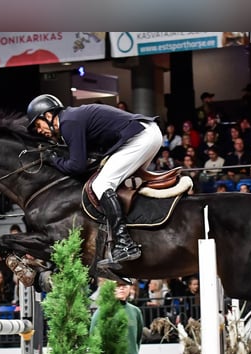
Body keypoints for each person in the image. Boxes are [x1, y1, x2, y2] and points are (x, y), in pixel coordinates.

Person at [26, 94, 161, 268]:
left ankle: (124, 243)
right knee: (120, 186)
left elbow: (77, 166)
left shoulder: (68, 123)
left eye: (38, 124)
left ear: (49, 115)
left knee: (101, 184)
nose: (39, 130)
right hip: (147, 134)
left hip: (141, 137)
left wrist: (53, 160)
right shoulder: (71, 120)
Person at [90, 277, 144, 354]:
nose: (122, 288)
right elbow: (93, 337)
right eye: (118, 285)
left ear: (130, 288)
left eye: (125, 285)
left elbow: (138, 338)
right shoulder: (102, 312)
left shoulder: (136, 312)